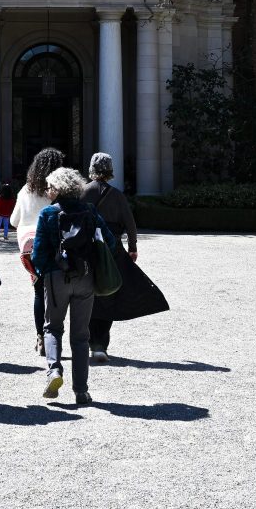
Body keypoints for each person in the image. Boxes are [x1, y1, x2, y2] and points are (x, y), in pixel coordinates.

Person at [32, 166, 115, 405]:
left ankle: (55, 371)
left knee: (52, 328)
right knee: (81, 336)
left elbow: (38, 253)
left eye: (49, 187)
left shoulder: (48, 214)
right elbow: (108, 241)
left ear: (57, 189)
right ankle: (81, 391)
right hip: (86, 277)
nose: (48, 191)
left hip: (56, 277)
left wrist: (46, 271)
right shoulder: (89, 211)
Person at [81, 152, 138, 363]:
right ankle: (100, 344)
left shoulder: (82, 192)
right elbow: (130, 224)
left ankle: (86, 339)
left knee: (86, 294)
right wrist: (132, 248)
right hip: (112, 248)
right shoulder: (117, 195)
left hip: (86, 249)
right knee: (109, 294)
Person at [11, 147, 65, 356]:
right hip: (53, 245)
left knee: (37, 292)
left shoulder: (26, 190)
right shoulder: (57, 191)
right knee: (55, 293)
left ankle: (40, 337)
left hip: (29, 248)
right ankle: (53, 336)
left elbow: (15, 221)